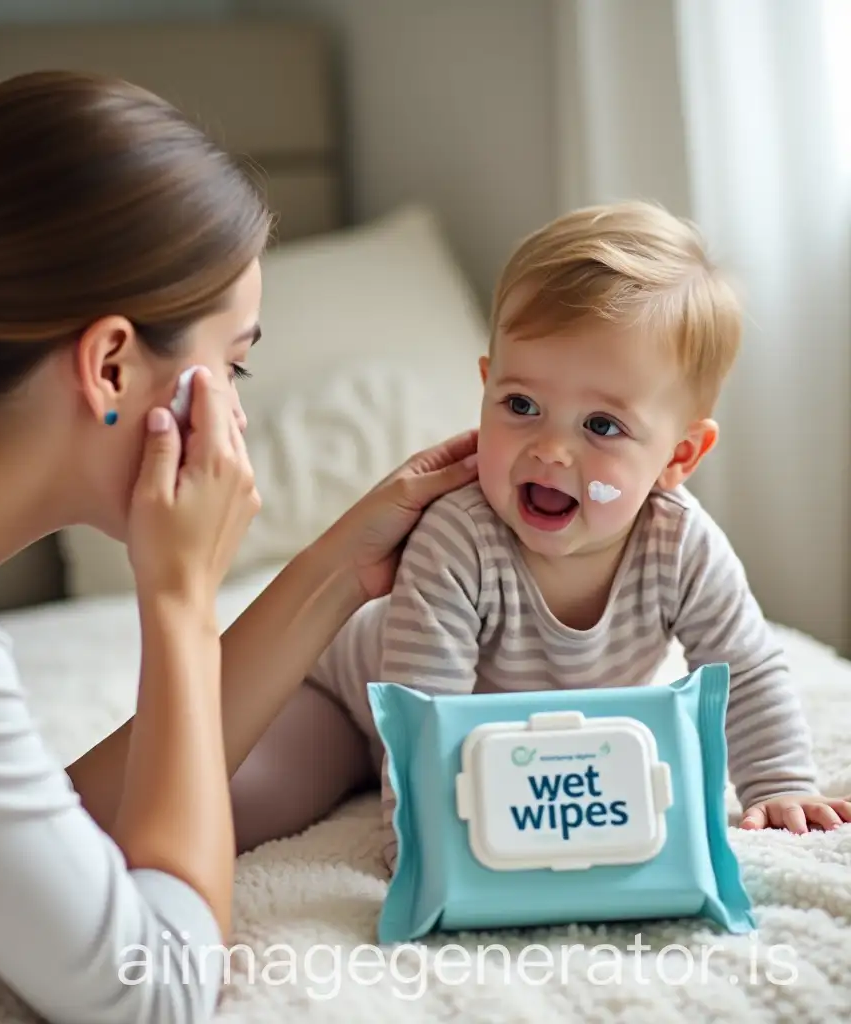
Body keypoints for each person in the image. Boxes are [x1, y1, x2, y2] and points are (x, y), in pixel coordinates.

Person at [0, 71, 480, 1023]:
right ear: (111, 365)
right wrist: (175, 598)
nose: (239, 409)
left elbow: (47, 836)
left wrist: (338, 570)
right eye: (232, 361)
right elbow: (154, 990)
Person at [229, 200, 851, 870]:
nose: (551, 450)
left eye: (602, 426)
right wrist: (418, 839)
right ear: (486, 386)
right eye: (521, 406)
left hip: (526, 751)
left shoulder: (682, 548)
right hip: (349, 702)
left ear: (678, 458)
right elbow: (419, 711)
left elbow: (745, 669)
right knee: (244, 803)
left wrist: (781, 784)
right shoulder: (459, 540)